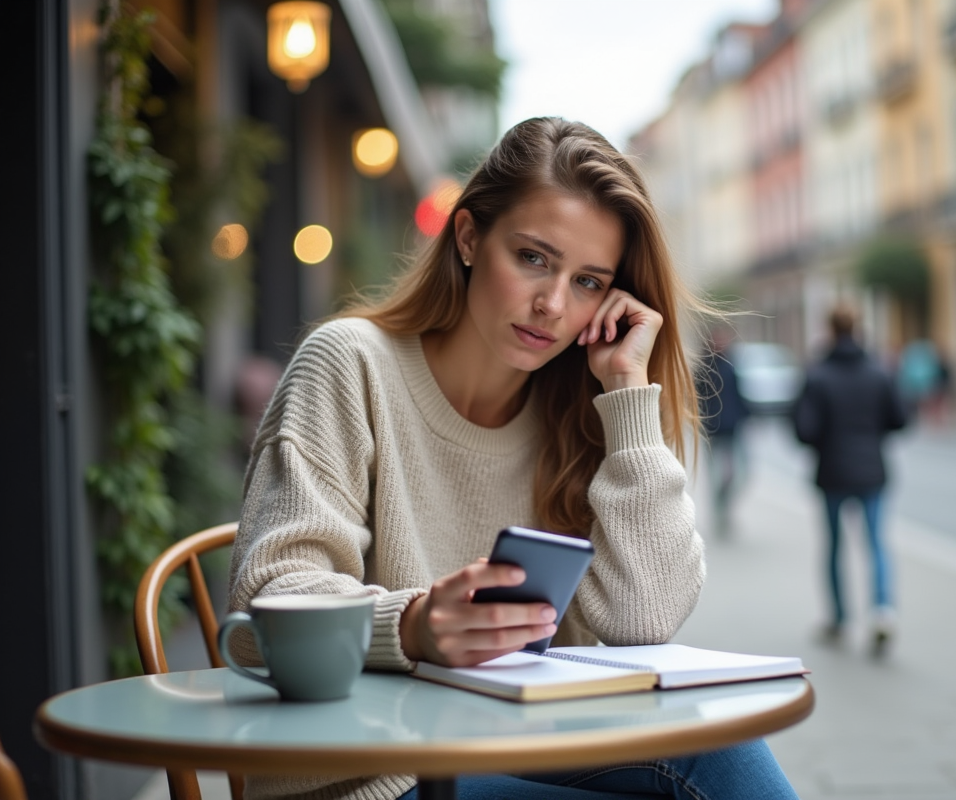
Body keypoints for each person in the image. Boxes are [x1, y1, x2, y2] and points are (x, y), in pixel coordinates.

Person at [226, 117, 799, 800]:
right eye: (533, 258)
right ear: (468, 237)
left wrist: (627, 393)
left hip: (505, 744)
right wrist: (411, 627)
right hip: (368, 772)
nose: (553, 305)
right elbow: (268, 603)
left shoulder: (577, 409)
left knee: (718, 743)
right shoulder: (350, 364)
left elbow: (641, 624)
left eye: (589, 282)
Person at [793, 304, 908, 656]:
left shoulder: (817, 374)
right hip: (872, 469)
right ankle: (883, 611)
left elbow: (803, 429)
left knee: (834, 547)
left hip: (832, 472)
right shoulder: (878, 372)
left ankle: (840, 619)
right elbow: (900, 420)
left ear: (830, 330)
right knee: (876, 544)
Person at [696, 326, 749, 538]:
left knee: (741, 473)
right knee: (717, 474)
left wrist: (747, 416)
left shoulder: (731, 363)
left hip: (735, 427)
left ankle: (726, 505)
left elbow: (739, 393)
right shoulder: (703, 367)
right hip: (713, 431)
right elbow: (696, 400)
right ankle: (721, 513)